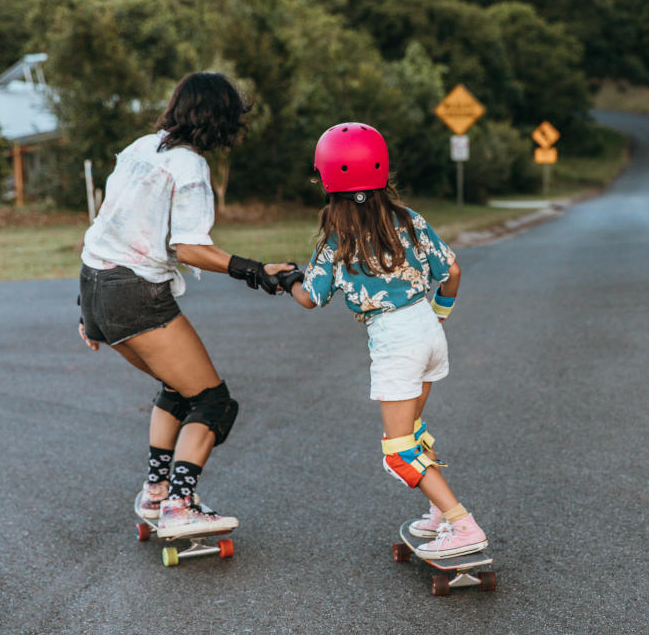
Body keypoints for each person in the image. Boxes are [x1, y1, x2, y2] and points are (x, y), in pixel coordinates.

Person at [77, 72, 291, 540]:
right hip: (135, 295)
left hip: (96, 287)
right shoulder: (189, 168)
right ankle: (179, 505)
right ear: (219, 121)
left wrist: (85, 310)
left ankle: (156, 492)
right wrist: (256, 270)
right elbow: (190, 248)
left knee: (178, 385)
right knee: (214, 403)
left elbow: (104, 225)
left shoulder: (140, 148)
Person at [273, 122, 488, 558]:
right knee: (413, 431)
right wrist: (440, 316)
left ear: (329, 179)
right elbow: (453, 271)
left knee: (397, 453)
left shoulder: (337, 238)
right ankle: (438, 514)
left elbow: (310, 298)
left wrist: (285, 278)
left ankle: (463, 525)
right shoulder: (409, 219)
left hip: (396, 342)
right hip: (427, 328)